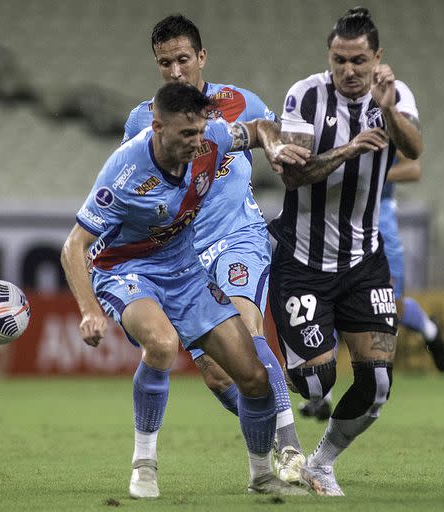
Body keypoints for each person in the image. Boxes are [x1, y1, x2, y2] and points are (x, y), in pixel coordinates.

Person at [61, 82, 310, 498]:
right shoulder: (125, 171)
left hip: (184, 267)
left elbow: (261, 126)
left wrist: (274, 145)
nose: (197, 144)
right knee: (161, 343)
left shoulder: (211, 135)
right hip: (126, 268)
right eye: (185, 135)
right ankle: (144, 466)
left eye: (200, 133)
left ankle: (261, 475)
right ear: (157, 127)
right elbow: (74, 246)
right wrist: (89, 311)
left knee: (252, 376)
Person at [121, 14, 306, 484]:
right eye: (166, 63)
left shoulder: (238, 102)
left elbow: (277, 137)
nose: (177, 71)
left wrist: (289, 156)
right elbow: (134, 189)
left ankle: (290, 447)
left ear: (202, 57)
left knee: (248, 332)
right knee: (222, 375)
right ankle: (262, 459)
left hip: (237, 238)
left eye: (184, 59)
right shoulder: (143, 120)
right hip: (184, 259)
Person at [267, 7, 422, 496]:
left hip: (363, 261)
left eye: (359, 60)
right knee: (315, 385)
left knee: (377, 385)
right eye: (340, 60)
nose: (349, 71)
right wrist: (350, 150)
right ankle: (263, 393)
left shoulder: (394, 95)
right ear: (329, 57)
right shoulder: (305, 95)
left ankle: (320, 463)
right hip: (302, 262)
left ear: (378, 58)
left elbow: (414, 151)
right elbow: (293, 174)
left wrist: (388, 107)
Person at [299, 153, 444, 422]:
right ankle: (323, 398)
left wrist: (374, 174)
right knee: (330, 302)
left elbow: (413, 169)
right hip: (340, 226)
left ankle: (430, 329)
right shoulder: (335, 122)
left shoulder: (381, 126)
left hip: (380, 224)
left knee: (389, 305)